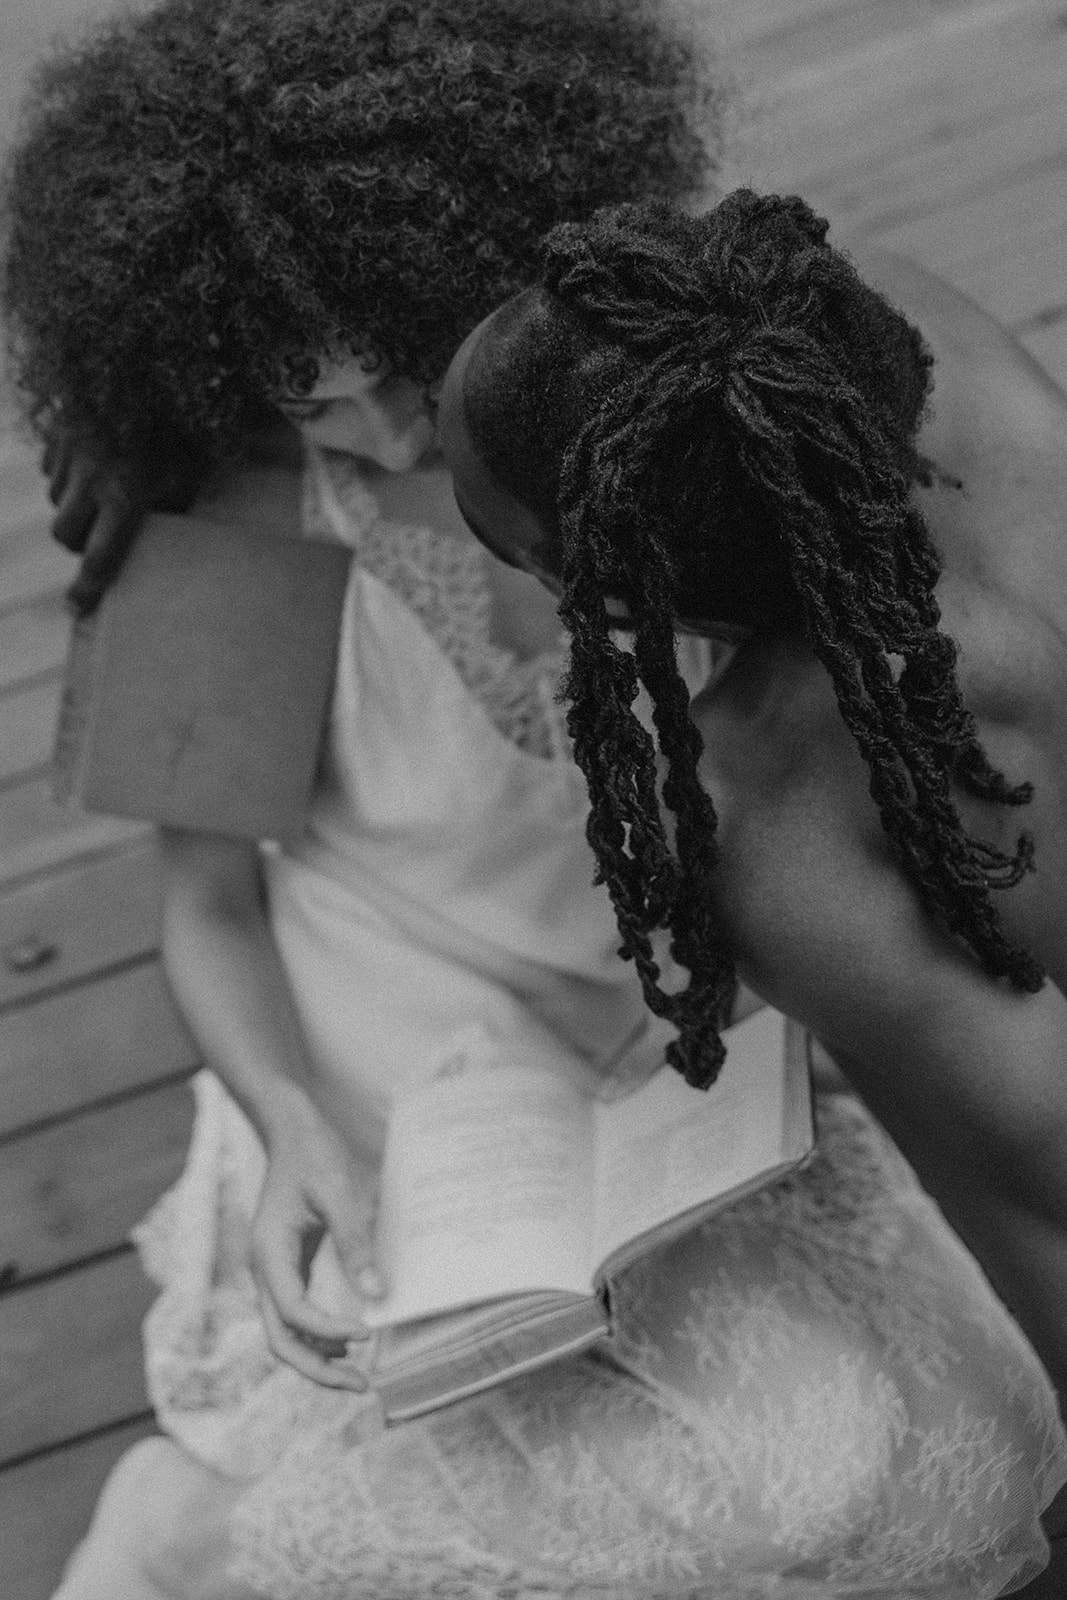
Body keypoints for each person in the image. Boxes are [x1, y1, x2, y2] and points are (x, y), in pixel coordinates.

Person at [5, 2, 1064, 1589]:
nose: (372, 439)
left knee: (934, 1447)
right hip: (401, 1069)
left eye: (397, 375)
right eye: (309, 404)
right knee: (788, 1485)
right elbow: (206, 899)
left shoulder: (635, 413)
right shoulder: (236, 512)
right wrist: (293, 1126)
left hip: (698, 1051)